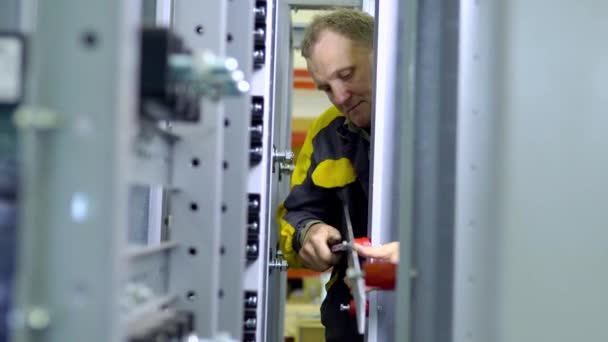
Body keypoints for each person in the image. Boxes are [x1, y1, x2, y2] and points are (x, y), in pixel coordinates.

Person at [277, 9, 375, 341]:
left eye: (346, 75)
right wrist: (310, 232)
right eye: (326, 88)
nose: (340, 98)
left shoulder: (443, 115)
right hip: (352, 318)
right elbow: (296, 212)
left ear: (382, 52)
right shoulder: (326, 133)